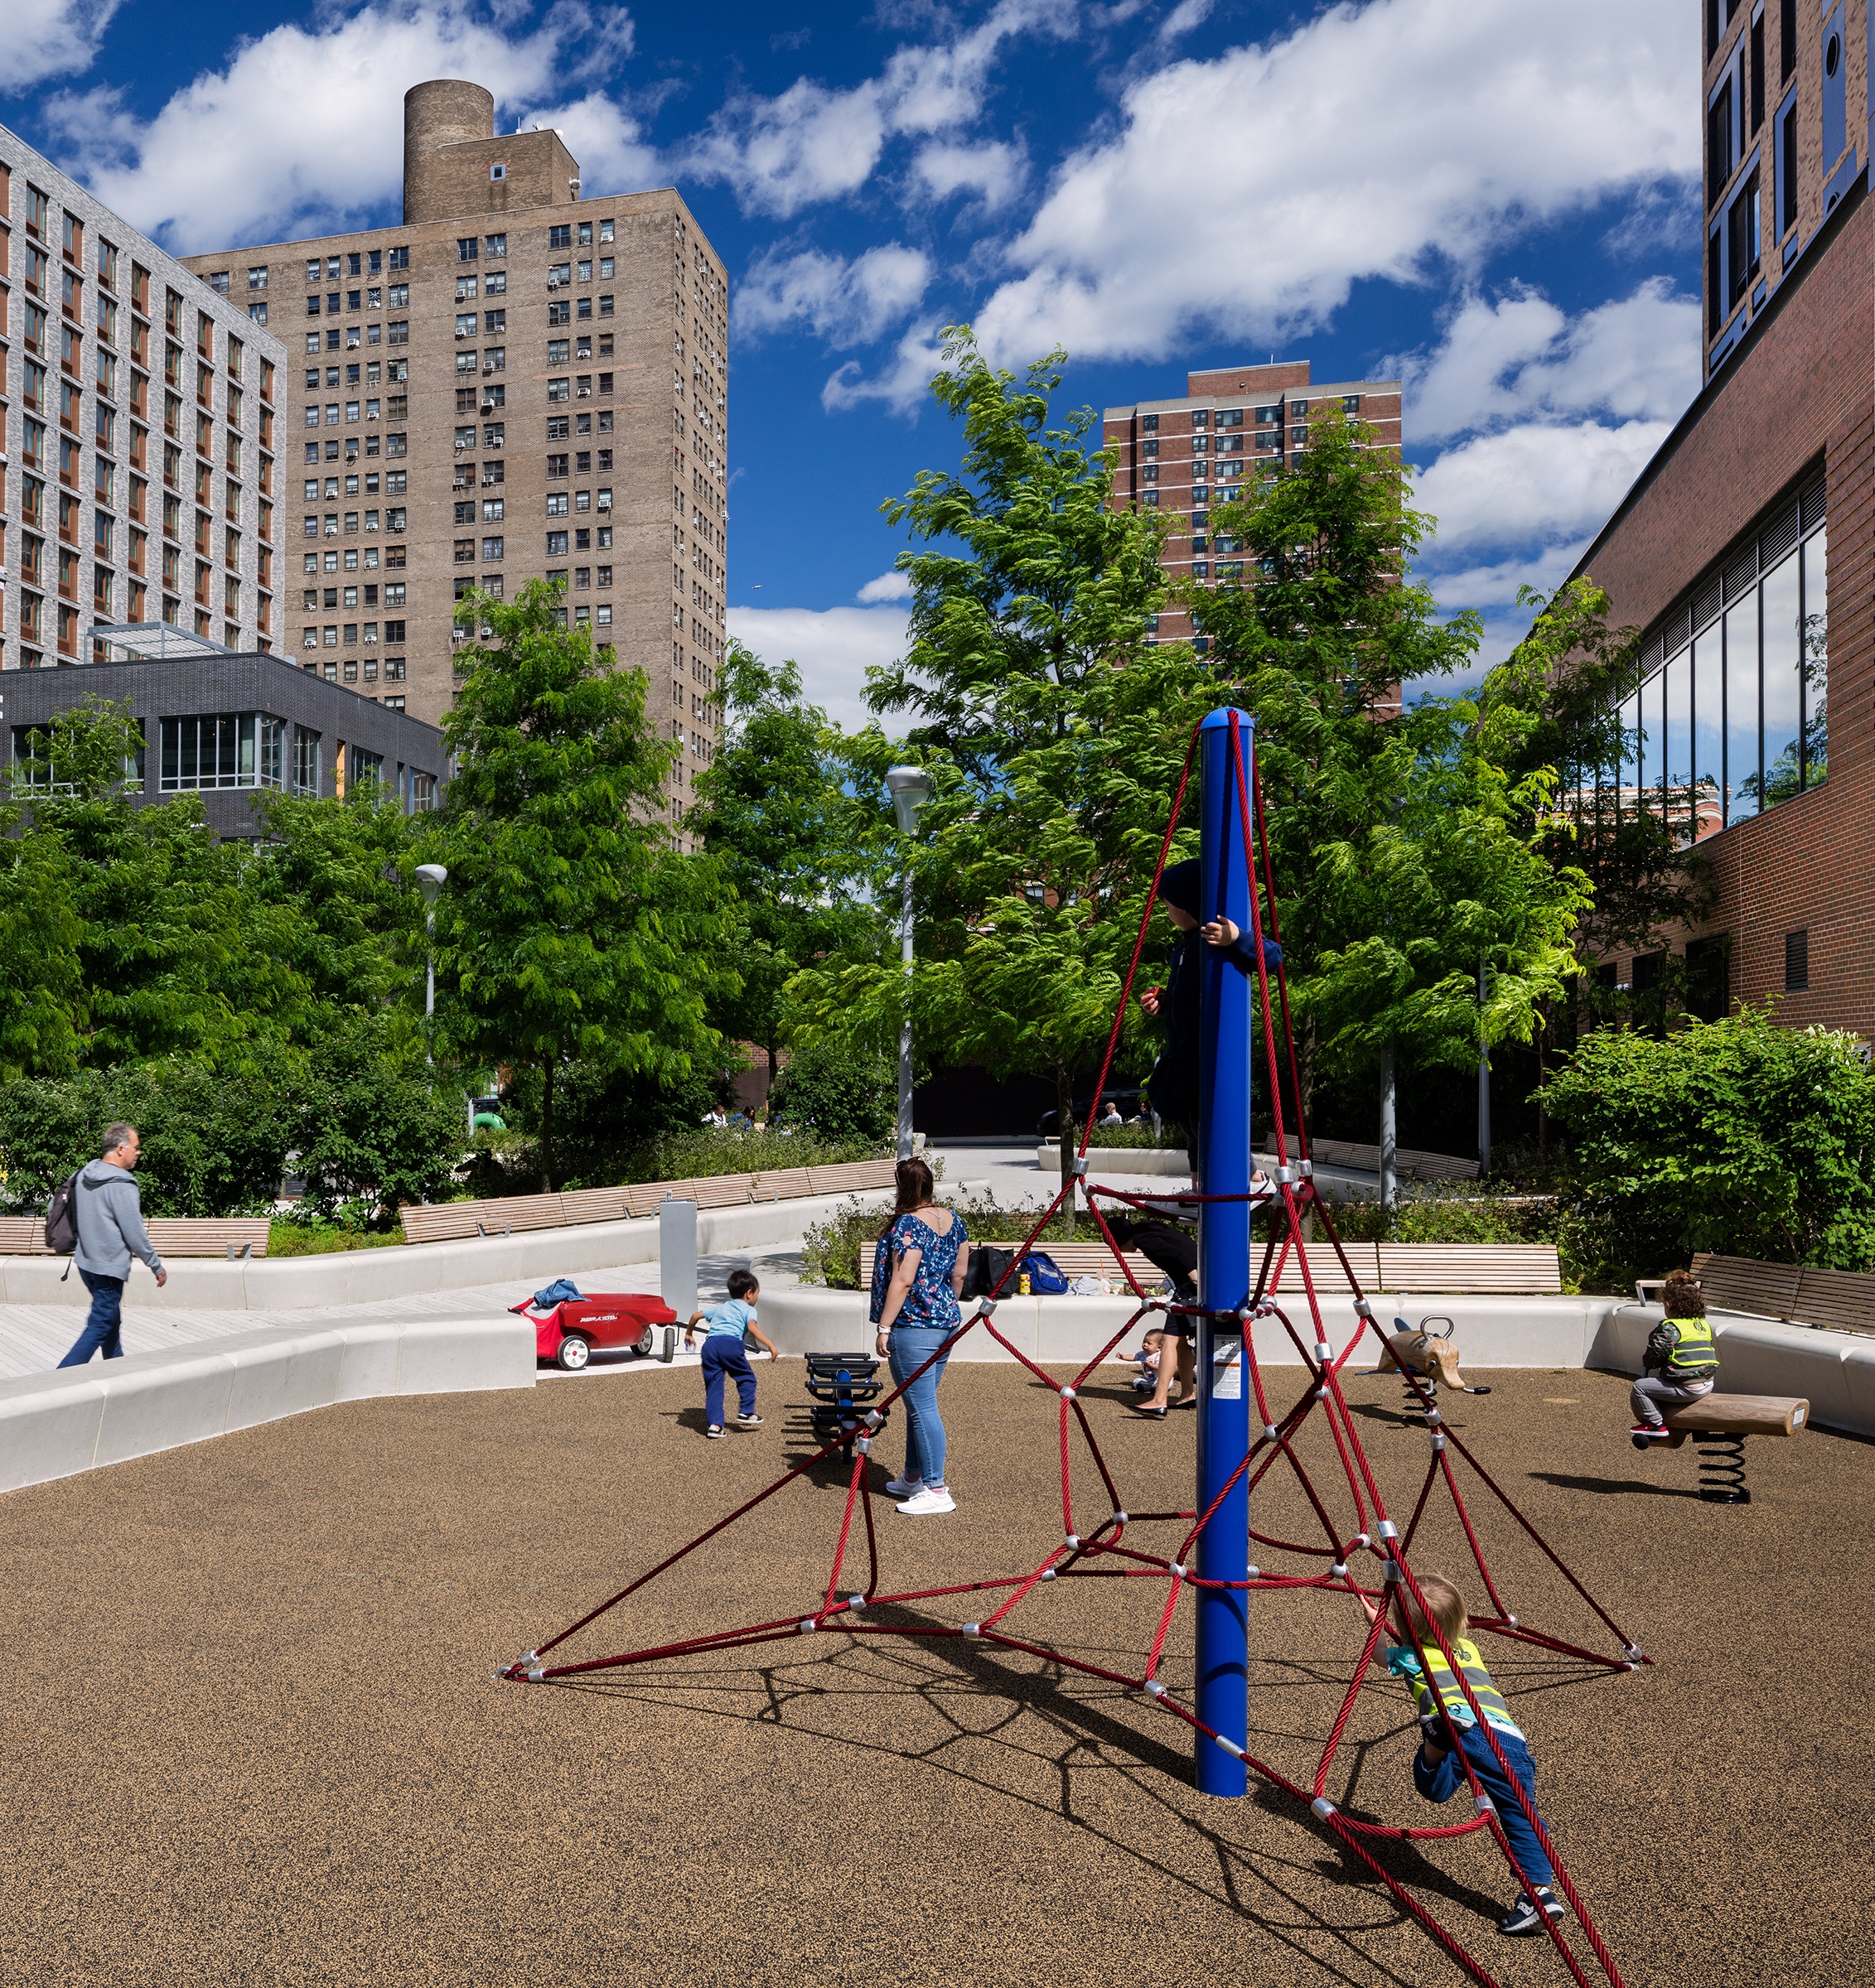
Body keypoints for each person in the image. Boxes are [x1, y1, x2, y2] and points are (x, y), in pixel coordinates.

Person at [1360, 1571, 1563, 1939]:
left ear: (1407, 1631)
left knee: (1439, 1785)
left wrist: (1373, 1617)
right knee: (1518, 1811)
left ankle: (1437, 1742)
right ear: (1461, 1620)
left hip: (1468, 1731)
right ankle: (1539, 1889)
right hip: (1507, 1735)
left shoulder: (1412, 1656)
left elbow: (1377, 1654)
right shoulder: (1469, 1650)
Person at [1139, 859, 1283, 1171]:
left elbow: (1272, 957)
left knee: (1207, 1118)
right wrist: (1162, 1002)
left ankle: (1249, 1174)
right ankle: (1198, 1184)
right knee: (1184, 1116)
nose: (1167, 912)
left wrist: (1236, 938)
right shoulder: (1184, 948)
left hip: (1208, 1052)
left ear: (1187, 905)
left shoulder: (1216, 938)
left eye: (1169, 906)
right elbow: (1185, 996)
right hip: (1181, 1050)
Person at [870, 1157, 970, 1515]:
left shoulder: (908, 1225)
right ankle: (914, 1477)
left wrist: (884, 1327)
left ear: (902, 1186)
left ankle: (937, 1488)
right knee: (918, 1403)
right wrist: (944, 1306)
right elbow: (959, 1274)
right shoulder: (953, 1220)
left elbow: (904, 1278)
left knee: (923, 1405)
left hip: (913, 1324)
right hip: (946, 1320)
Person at [56, 1122, 168, 1368]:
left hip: (86, 1264)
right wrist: (156, 1265)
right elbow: (134, 1232)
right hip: (108, 1268)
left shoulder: (84, 1174)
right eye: (136, 1147)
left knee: (110, 1321)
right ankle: (57, 1380)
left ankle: (117, 1372)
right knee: (100, 1324)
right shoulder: (122, 1183)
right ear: (120, 1149)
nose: (138, 1152)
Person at [1630, 1268, 1720, 1450]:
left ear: (1669, 1304)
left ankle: (1656, 1424)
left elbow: (1654, 1356)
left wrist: (1647, 1362)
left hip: (1687, 1388)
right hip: (1707, 1384)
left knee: (1640, 1388)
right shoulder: (1703, 1325)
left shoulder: (1671, 1328)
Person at [684, 1268, 779, 1439]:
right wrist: (770, 1344)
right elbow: (752, 1328)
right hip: (730, 1344)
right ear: (749, 1293)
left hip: (710, 1346)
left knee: (714, 1387)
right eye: (758, 1293)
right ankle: (746, 1412)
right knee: (747, 1378)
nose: (757, 1297)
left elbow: (695, 1315)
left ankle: (715, 1426)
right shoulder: (749, 1309)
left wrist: (689, 1333)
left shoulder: (721, 1307)